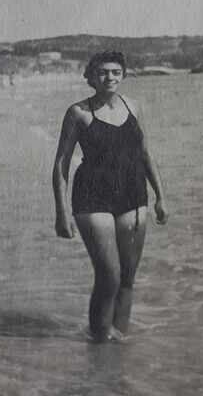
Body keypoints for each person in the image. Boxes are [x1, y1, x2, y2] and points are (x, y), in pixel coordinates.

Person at [52, 50, 168, 342]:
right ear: (90, 77)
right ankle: (99, 342)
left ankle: (120, 344)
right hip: (92, 197)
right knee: (110, 277)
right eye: (103, 72)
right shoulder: (78, 112)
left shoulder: (134, 107)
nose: (110, 77)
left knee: (128, 279)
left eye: (116, 72)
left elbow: (145, 154)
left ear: (124, 75)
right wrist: (61, 212)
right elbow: (61, 164)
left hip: (133, 194)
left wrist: (161, 197)